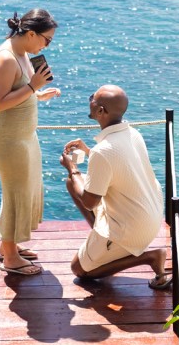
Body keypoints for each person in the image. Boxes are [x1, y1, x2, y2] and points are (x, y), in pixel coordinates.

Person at [59, 85, 170, 288]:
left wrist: (72, 167)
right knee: (71, 183)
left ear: (101, 111)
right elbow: (117, 166)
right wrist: (87, 151)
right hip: (149, 217)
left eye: (93, 98)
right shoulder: (132, 134)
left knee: (79, 269)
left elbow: (89, 201)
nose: (90, 99)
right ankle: (102, 246)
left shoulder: (104, 151)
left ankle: (150, 257)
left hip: (129, 230)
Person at [0, 8, 59, 276]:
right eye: (46, 39)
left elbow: (17, 93)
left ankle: (10, 246)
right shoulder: (6, 58)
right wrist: (32, 88)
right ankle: (10, 257)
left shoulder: (22, 53)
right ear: (30, 33)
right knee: (15, 193)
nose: (47, 45)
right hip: (9, 140)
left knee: (24, 189)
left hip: (23, 137)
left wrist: (38, 96)